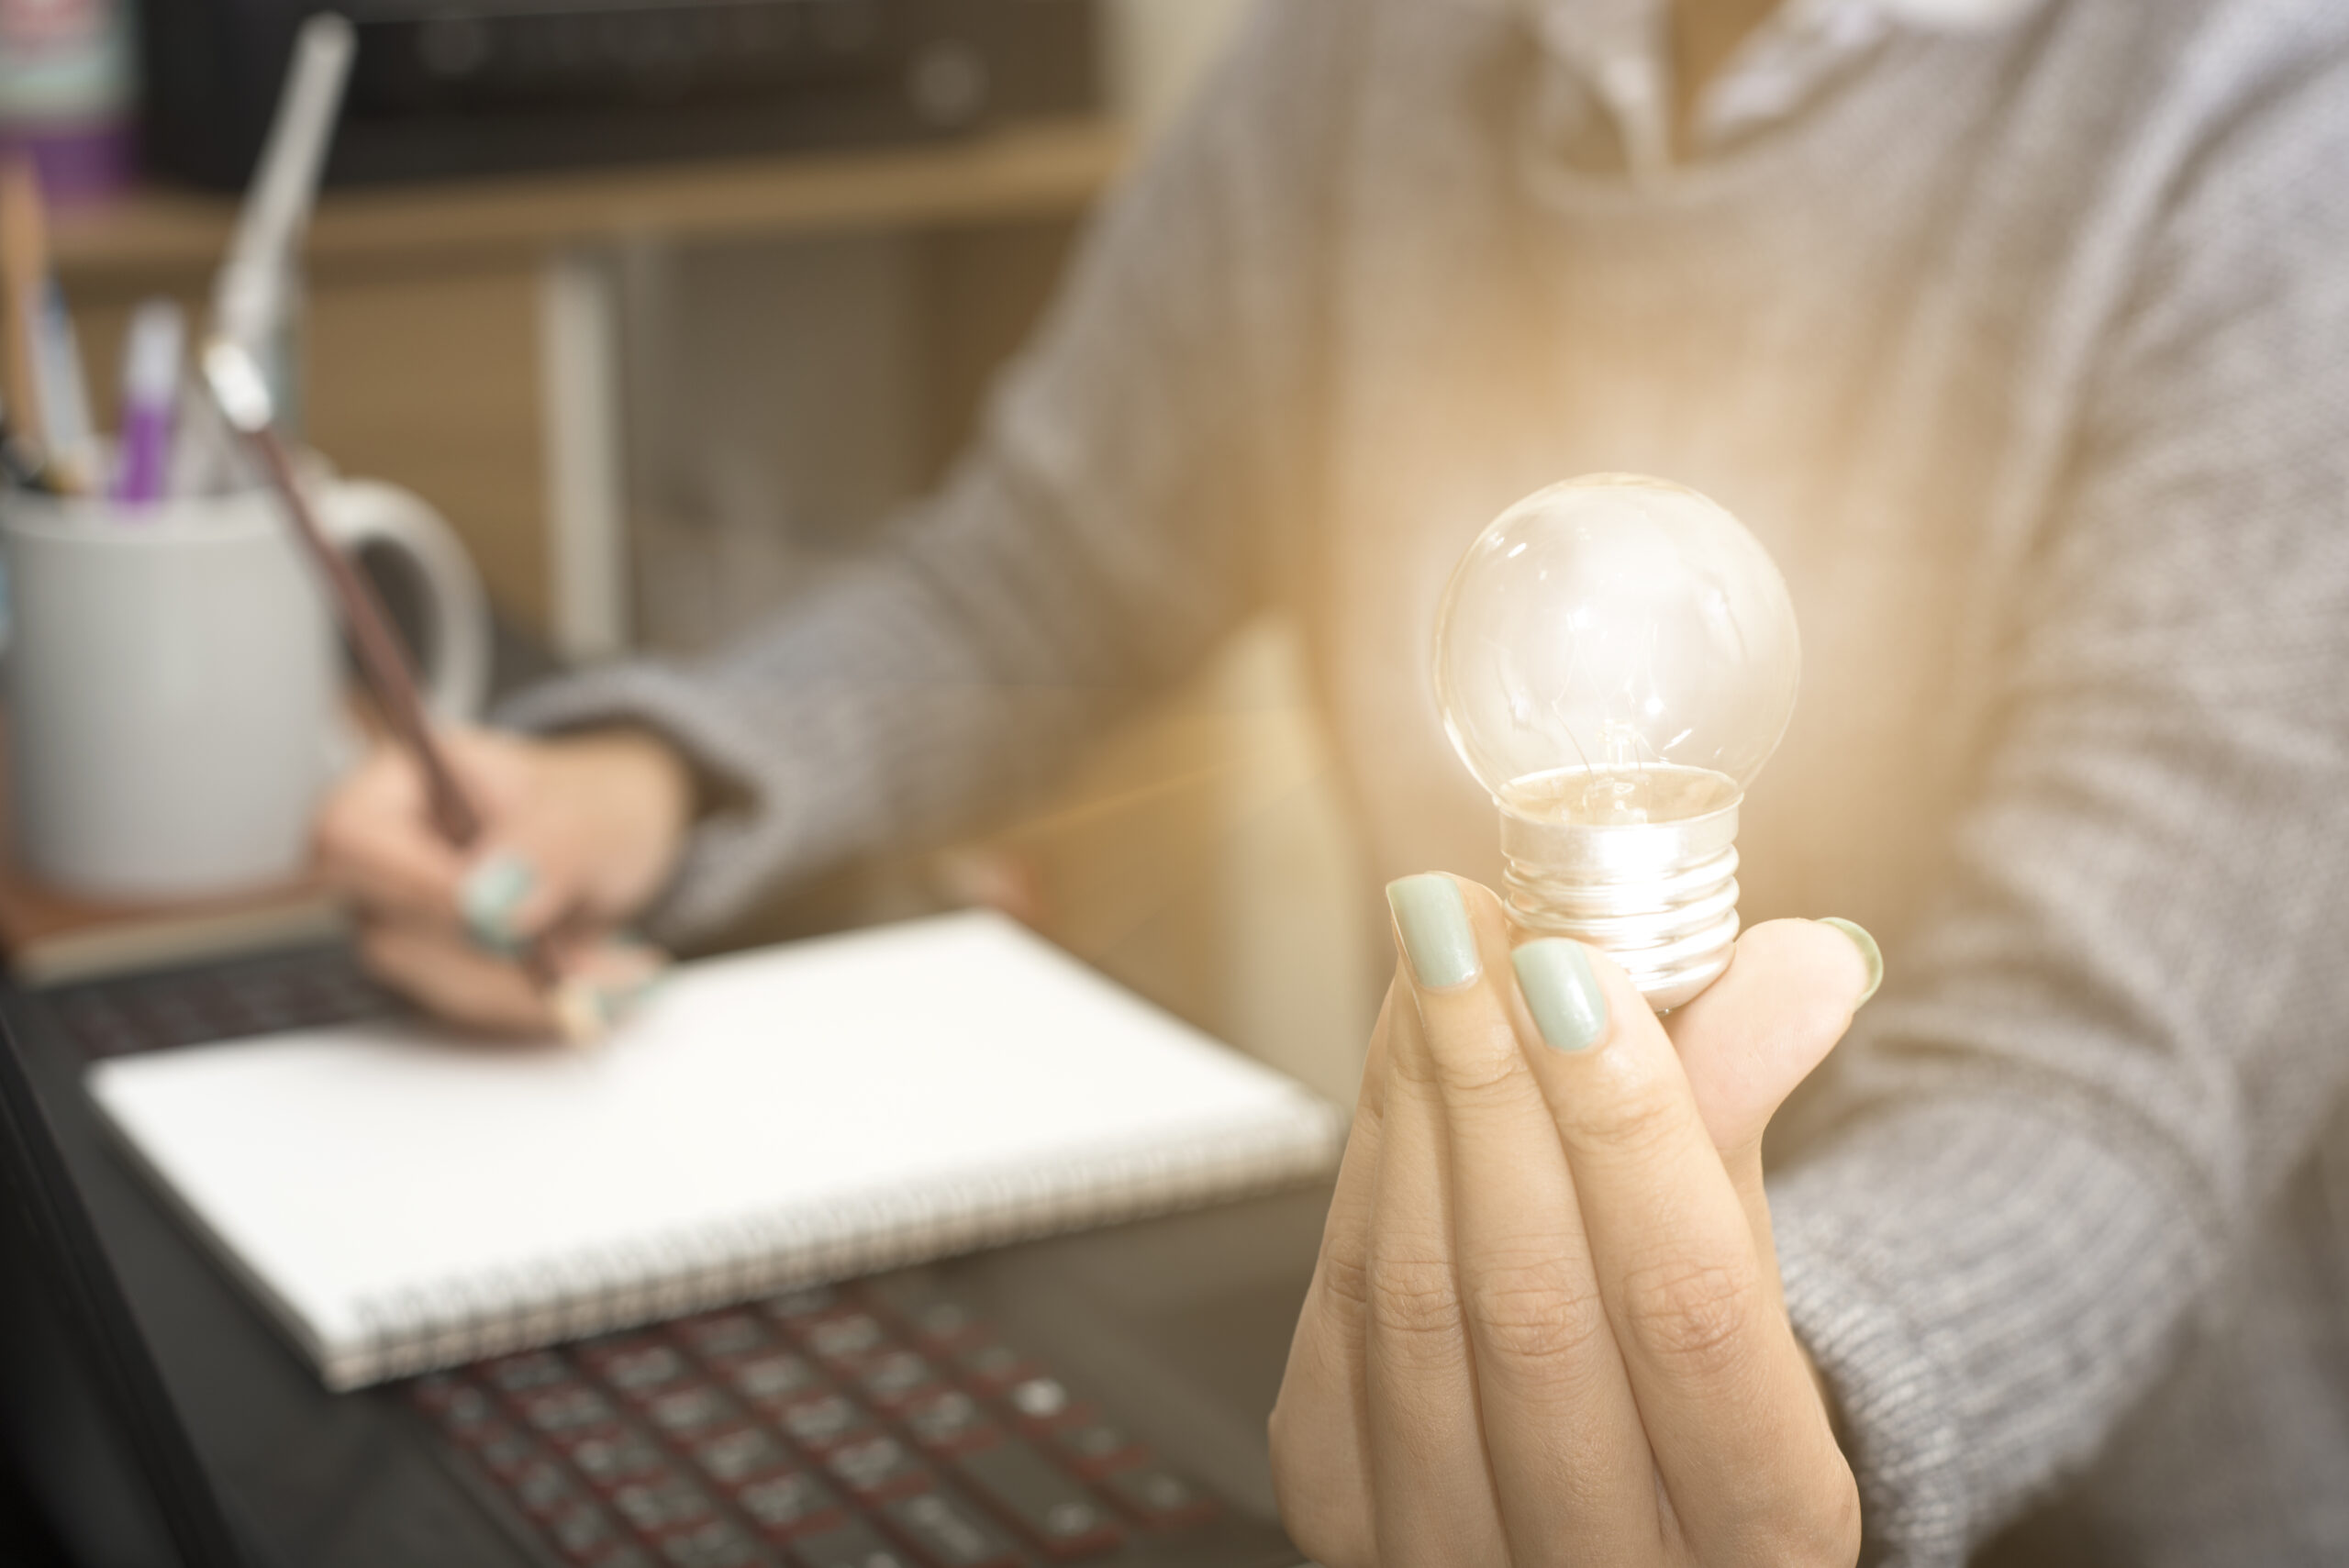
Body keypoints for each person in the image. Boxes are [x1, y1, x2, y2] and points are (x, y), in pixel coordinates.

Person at [314, 0, 2349, 1562]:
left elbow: (2101, 1074)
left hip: (2069, 1511)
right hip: (1454, 1433)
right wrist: (653, 780)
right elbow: (1042, 571)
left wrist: (1745, 1383)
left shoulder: (2263, 113)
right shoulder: (1362, 57)